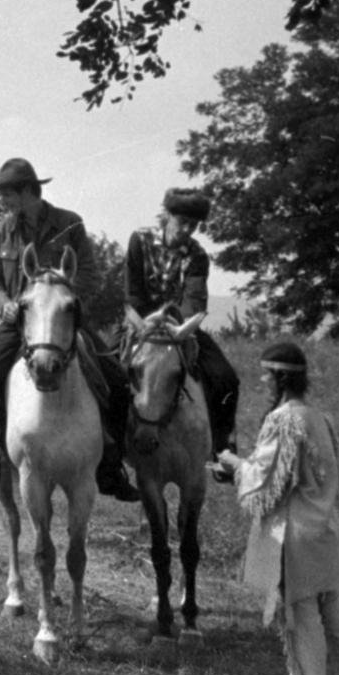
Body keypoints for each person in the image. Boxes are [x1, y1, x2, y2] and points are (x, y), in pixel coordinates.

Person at [0, 158, 139, 503]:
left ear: (29, 191)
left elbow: (89, 273)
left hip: (61, 321)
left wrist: (63, 298)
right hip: (17, 323)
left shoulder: (69, 224)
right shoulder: (2, 230)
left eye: (8, 194)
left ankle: (110, 465)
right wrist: (5, 304)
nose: (3, 201)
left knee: (118, 381)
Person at [215, 341, 339, 675]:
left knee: (302, 617)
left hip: (295, 538)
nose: (262, 382)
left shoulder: (284, 421)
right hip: (325, 530)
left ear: (280, 378)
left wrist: (234, 464)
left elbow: (268, 481)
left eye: (266, 376)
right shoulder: (319, 419)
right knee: (335, 614)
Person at [119, 187, 241, 478]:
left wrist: (177, 327)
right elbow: (132, 292)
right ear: (167, 216)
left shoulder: (198, 255)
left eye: (194, 225)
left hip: (180, 329)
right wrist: (149, 322)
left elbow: (195, 299)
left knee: (226, 378)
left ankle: (223, 450)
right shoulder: (139, 240)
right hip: (139, 323)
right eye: (182, 221)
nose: (187, 229)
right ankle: (110, 451)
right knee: (109, 371)